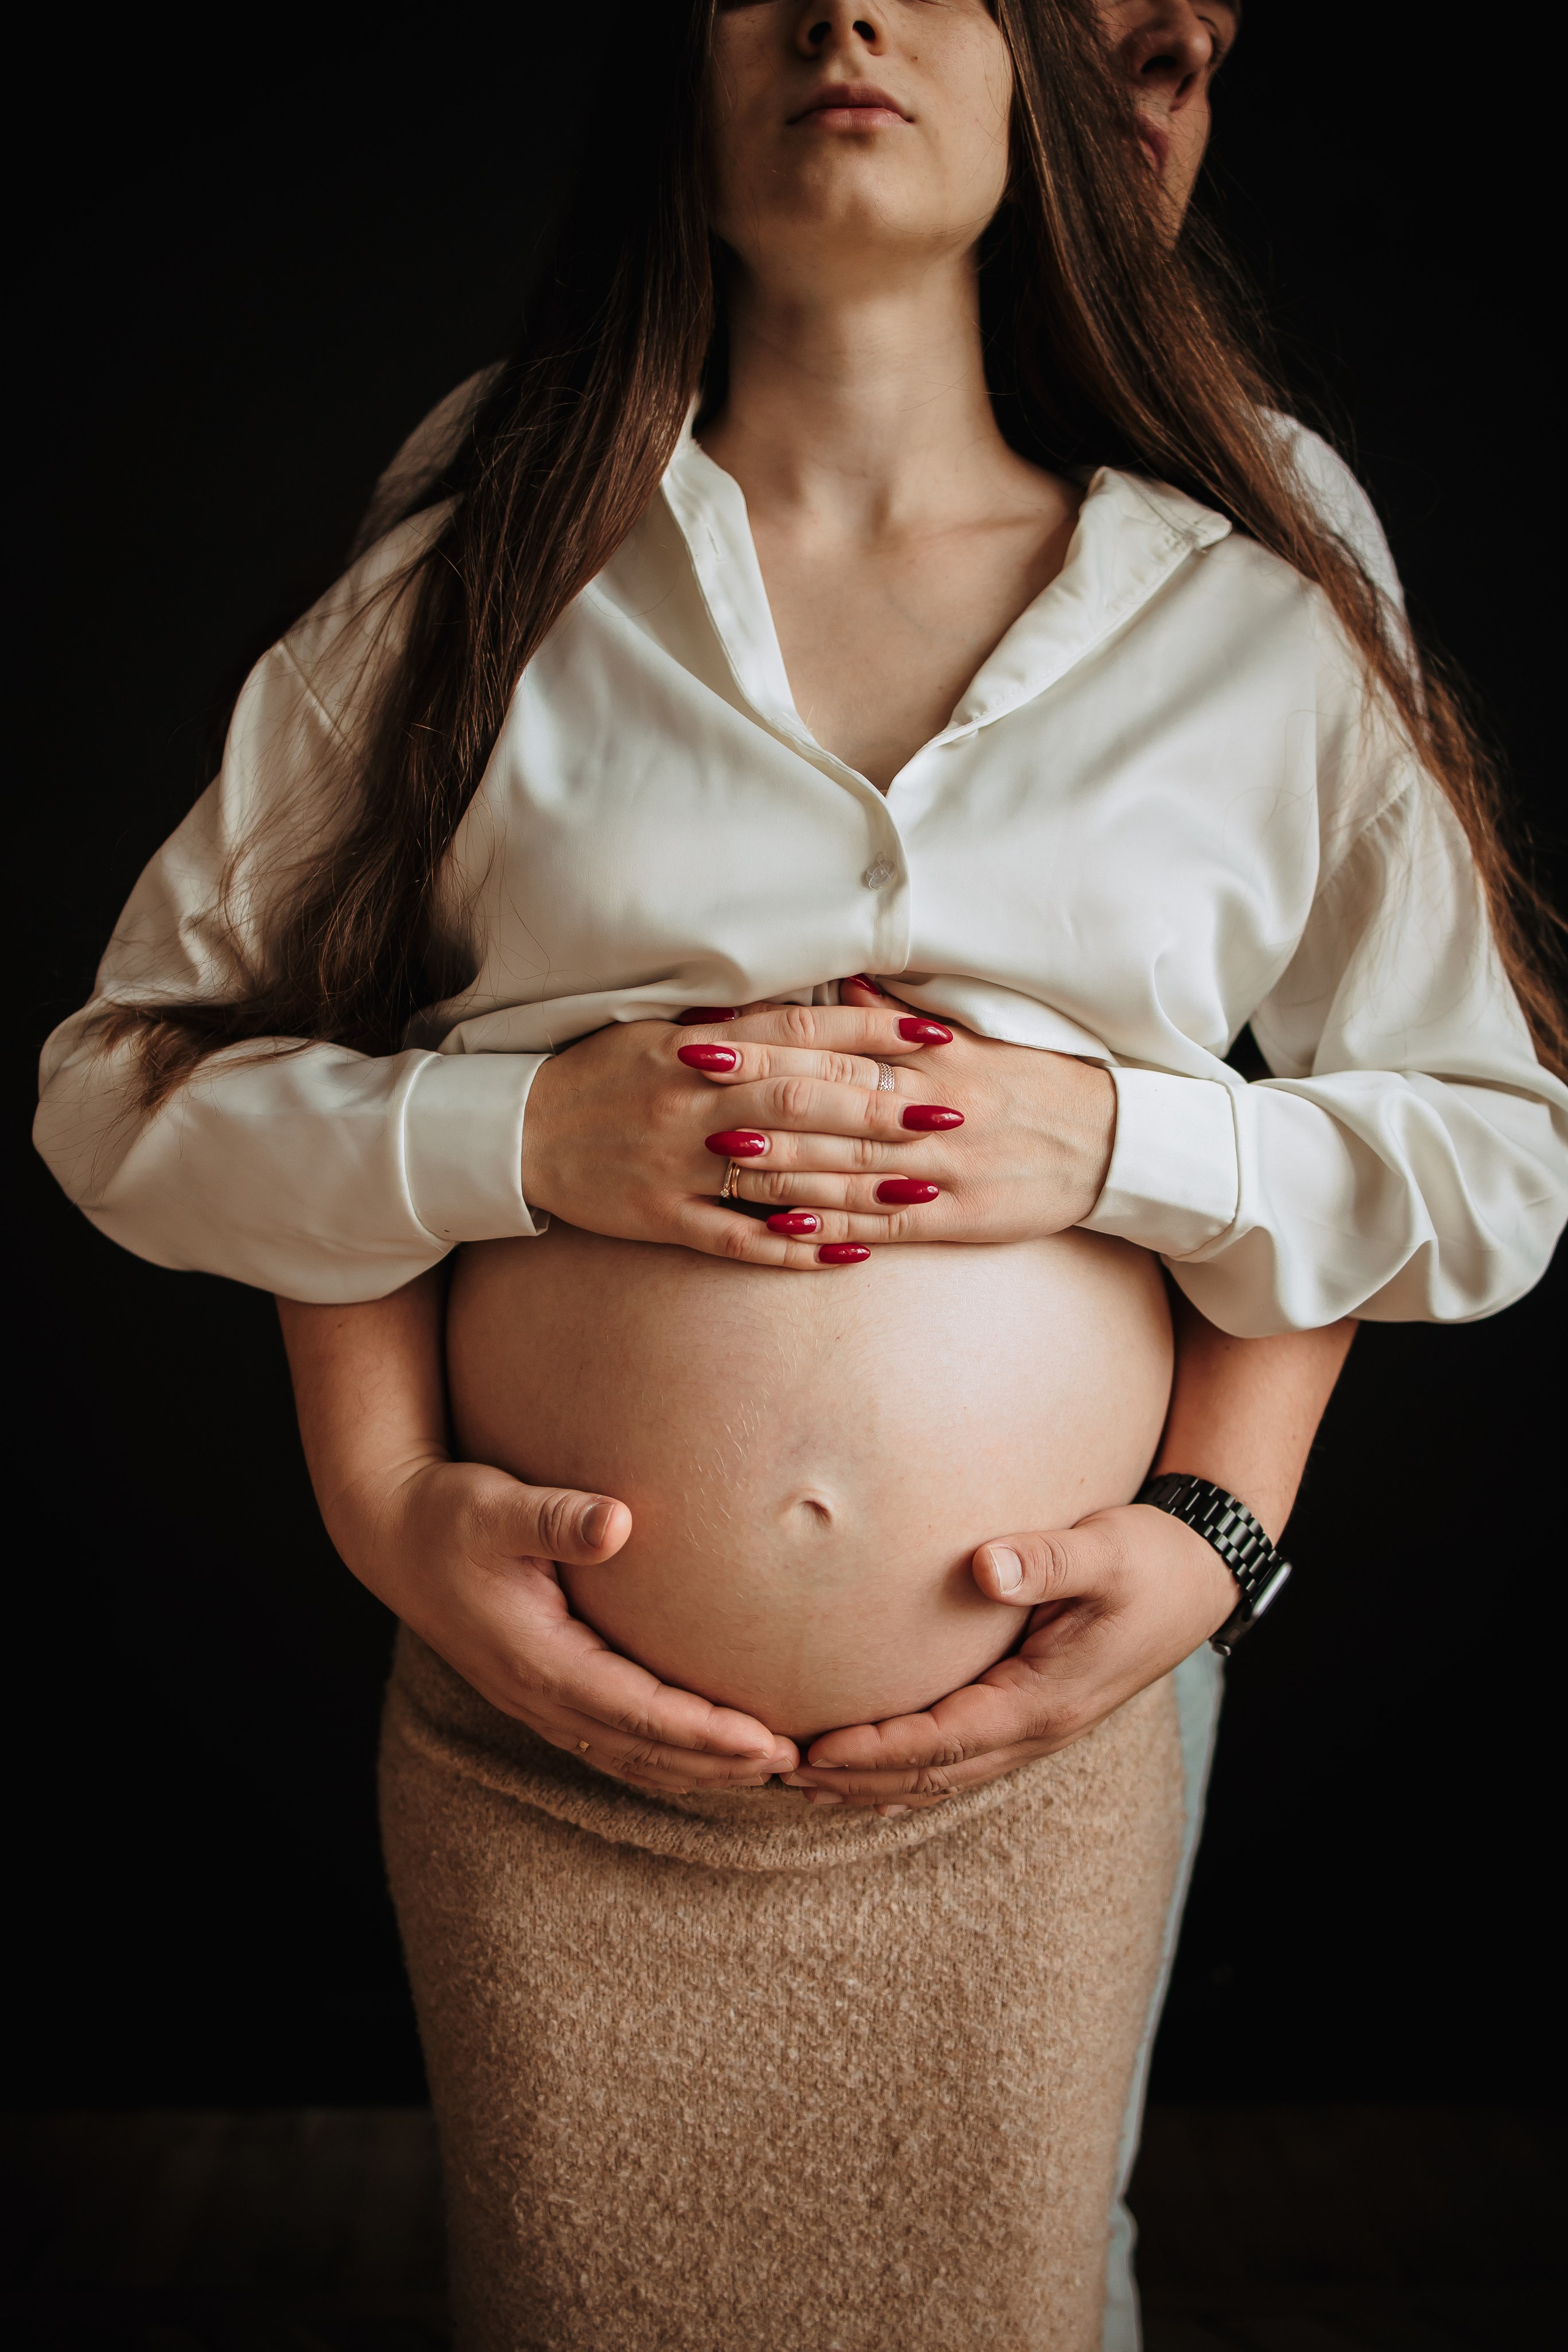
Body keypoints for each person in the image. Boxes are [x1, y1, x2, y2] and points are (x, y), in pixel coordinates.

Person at [34, 4, 1567, 2348]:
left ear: (1041, 86)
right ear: (667, 83)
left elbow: (1488, 1161)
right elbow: (133, 1082)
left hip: (1024, 1778)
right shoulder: (487, 567)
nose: (848, 14)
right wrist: (523, 1139)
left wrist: (1125, 1159)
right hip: (549, 1764)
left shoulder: (1252, 611)